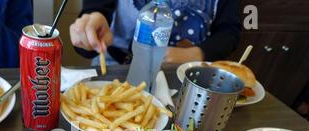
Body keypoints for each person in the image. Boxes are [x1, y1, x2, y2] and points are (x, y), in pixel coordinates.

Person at [70, 0, 241, 66]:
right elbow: (87, 48)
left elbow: (229, 32)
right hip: (117, 64)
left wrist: (194, 54)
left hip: (188, 71)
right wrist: (88, 34)